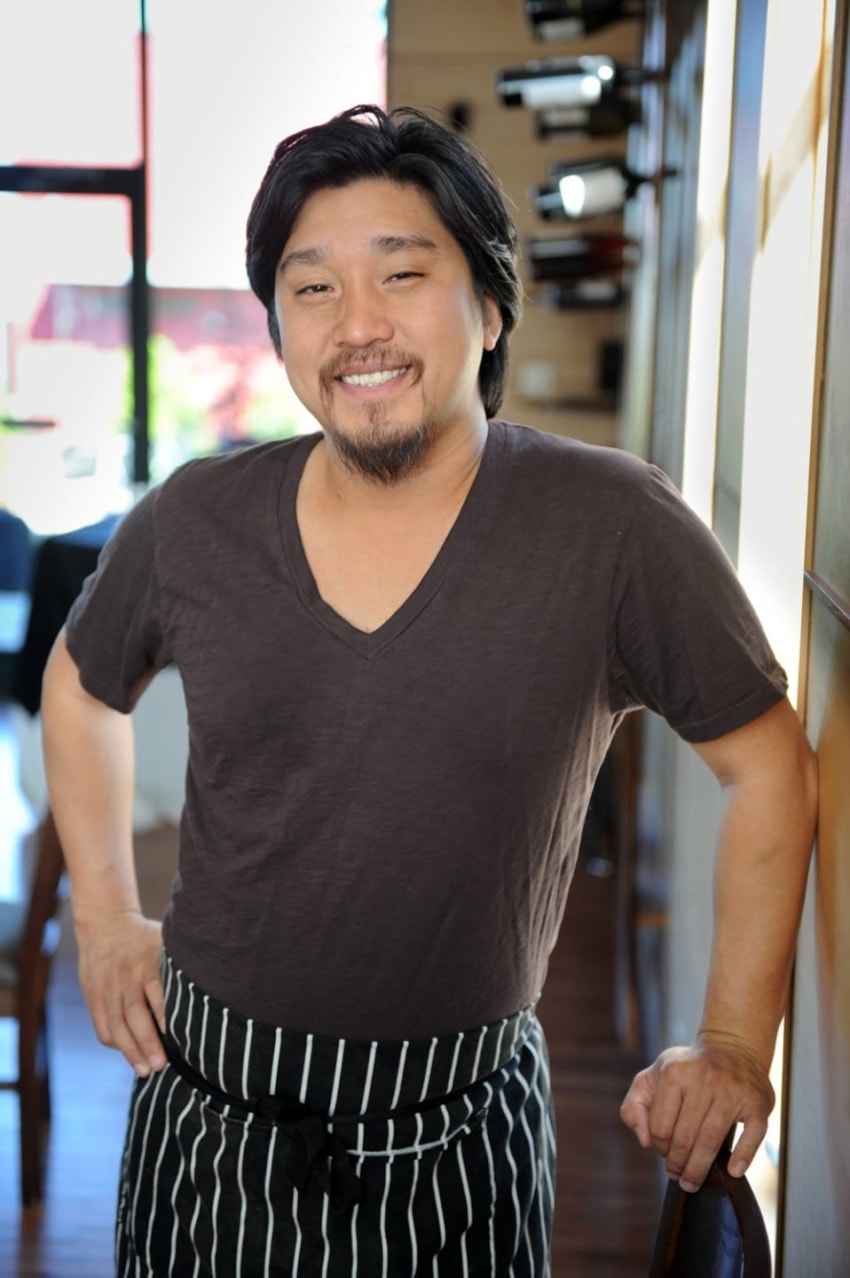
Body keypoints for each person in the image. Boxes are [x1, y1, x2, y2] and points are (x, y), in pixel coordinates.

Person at [41, 104, 817, 1276]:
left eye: (402, 273)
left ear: (489, 305)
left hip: (458, 1143)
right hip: (208, 1121)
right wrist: (100, 920)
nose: (359, 325)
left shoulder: (610, 524)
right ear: (278, 326)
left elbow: (768, 766)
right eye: (311, 290)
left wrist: (729, 1042)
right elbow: (79, 684)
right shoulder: (195, 518)